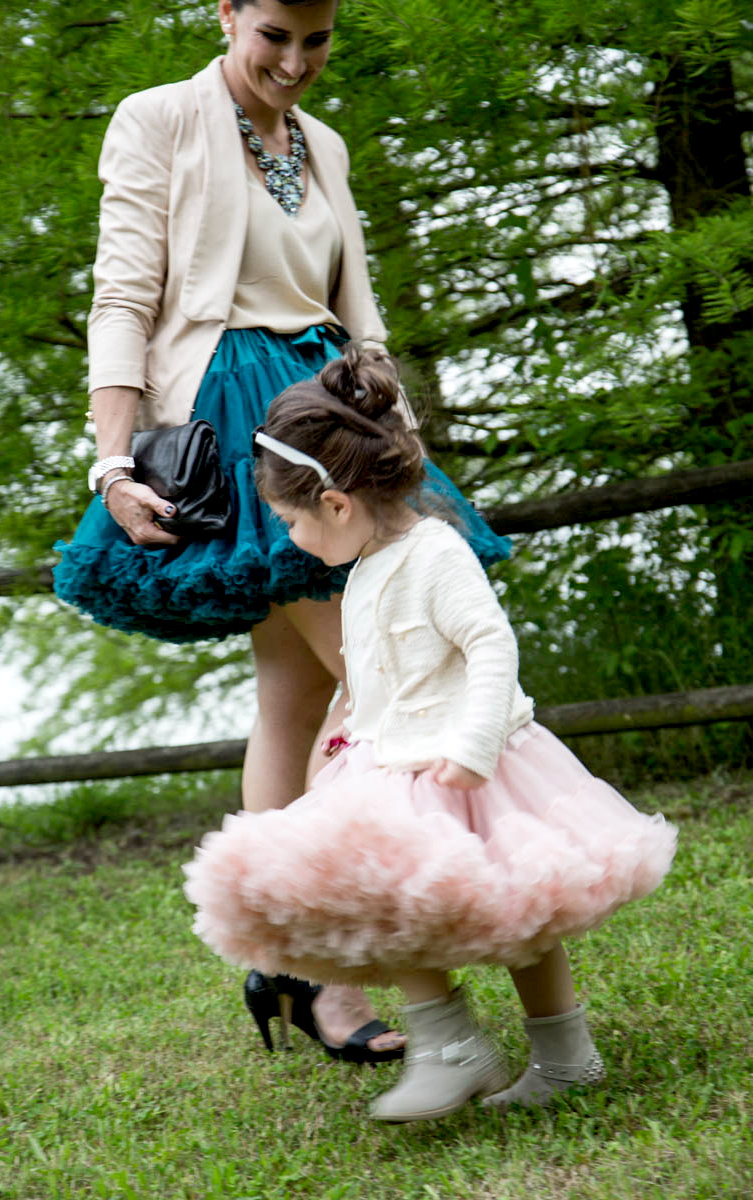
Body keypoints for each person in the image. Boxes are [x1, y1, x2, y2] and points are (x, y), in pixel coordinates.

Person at [52, 0, 512, 1061]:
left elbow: (361, 314)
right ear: (226, 14)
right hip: (236, 421)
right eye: (272, 36)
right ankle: (385, 982)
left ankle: (294, 966)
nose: (294, 62)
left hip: (332, 417)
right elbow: (123, 295)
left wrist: (394, 426)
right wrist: (112, 459)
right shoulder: (159, 118)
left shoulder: (327, 143)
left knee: (298, 696)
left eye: (316, 41)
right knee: (386, 687)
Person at [183, 344, 678, 1124]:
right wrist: (356, 736)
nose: (292, 541)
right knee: (388, 899)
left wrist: (473, 747)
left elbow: (490, 646)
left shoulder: (434, 555)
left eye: (291, 522)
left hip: (471, 760)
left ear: (337, 504)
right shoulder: (367, 563)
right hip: (394, 763)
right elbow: (381, 672)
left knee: (523, 906)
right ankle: (451, 1047)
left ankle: (565, 1057)